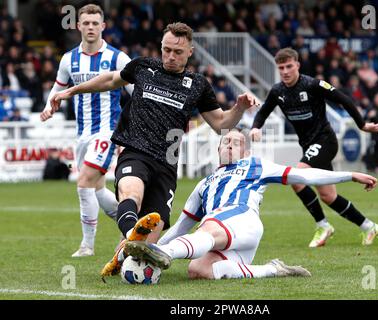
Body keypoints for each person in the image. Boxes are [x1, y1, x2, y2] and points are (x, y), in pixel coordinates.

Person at [47, 22, 257, 277]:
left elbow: (221, 124)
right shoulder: (144, 66)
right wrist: (70, 90)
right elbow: (111, 79)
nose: (170, 56)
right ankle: (130, 236)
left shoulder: (198, 84)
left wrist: (239, 108)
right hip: (136, 151)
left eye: (177, 52)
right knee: (131, 193)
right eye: (166, 49)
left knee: (150, 237)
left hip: (166, 164)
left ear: (190, 51)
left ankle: (125, 251)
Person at [123, 129, 378, 280]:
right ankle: (271, 269)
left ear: (245, 151)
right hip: (226, 234)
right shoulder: (205, 184)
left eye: (237, 143)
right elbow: (180, 226)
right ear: (218, 150)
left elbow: (305, 175)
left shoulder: (255, 165)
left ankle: (163, 257)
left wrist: (350, 175)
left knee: (209, 225)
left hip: (242, 221)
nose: (230, 145)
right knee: (198, 270)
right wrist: (153, 246)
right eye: (226, 142)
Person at [249, 48, 378, 248]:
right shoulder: (278, 92)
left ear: (297, 65)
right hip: (308, 146)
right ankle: (368, 226)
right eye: (281, 68)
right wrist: (255, 128)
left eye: (289, 66)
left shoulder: (313, 84)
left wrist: (362, 125)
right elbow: (263, 112)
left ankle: (323, 226)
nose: (285, 71)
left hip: (325, 141)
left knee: (296, 178)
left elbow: (343, 99)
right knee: (329, 197)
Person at [40, 4, 133, 257]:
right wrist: (49, 107)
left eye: (95, 23)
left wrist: (131, 130)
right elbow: (58, 88)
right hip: (82, 135)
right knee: (98, 190)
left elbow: (137, 95)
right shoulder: (69, 59)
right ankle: (133, 227)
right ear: (78, 25)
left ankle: (87, 246)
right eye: (86, 23)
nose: (91, 27)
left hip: (106, 131)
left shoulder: (118, 58)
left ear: (103, 26)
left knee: (83, 184)